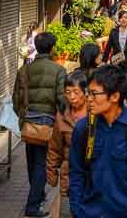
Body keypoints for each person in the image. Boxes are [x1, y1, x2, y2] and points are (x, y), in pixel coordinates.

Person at [68, 65, 127, 218]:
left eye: (94, 94)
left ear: (115, 97)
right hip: (90, 212)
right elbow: (76, 172)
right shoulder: (84, 128)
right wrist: (77, 210)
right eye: (88, 93)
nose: (88, 98)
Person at [13, 32, 67, 217]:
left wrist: (22, 115)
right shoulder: (59, 70)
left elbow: (16, 99)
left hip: (28, 122)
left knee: (31, 162)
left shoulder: (24, 70)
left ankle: (38, 195)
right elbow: (62, 100)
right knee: (42, 165)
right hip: (48, 123)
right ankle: (33, 205)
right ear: (52, 48)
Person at [47, 71, 89, 218]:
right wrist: (51, 171)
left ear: (85, 92)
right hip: (68, 177)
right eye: (68, 92)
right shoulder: (61, 117)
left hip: (92, 178)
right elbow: (55, 147)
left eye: (76, 92)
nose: (72, 97)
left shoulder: (95, 115)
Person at [103, 10, 127, 85]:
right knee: (117, 81)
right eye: (121, 17)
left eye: (125, 17)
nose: (123, 19)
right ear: (119, 19)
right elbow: (108, 47)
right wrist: (104, 61)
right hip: (117, 60)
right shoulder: (114, 31)